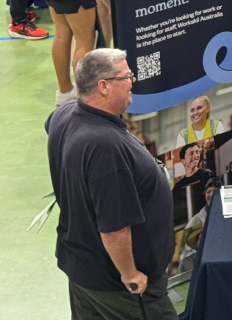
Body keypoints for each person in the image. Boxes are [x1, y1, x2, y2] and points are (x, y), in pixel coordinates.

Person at [46, 49, 175, 320]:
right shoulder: (105, 146)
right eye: (126, 76)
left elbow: (51, 128)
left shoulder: (65, 114)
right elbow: (114, 228)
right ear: (103, 86)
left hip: (82, 267)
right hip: (118, 288)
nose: (133, 81)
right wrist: (130, 275)